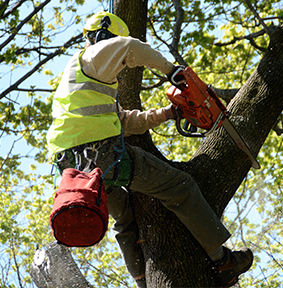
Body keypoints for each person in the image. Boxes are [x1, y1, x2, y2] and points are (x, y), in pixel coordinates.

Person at [46, 11, 253, 288]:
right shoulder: (91, 58)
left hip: (74, 167)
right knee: (180, 185)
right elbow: (130, 47)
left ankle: (142, 281)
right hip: (102, 156)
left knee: (125, 214)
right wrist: (172, 70)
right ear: (102, 37)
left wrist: (169, 113)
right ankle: (222, 260)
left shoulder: (80, 85)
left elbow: (125, 123)